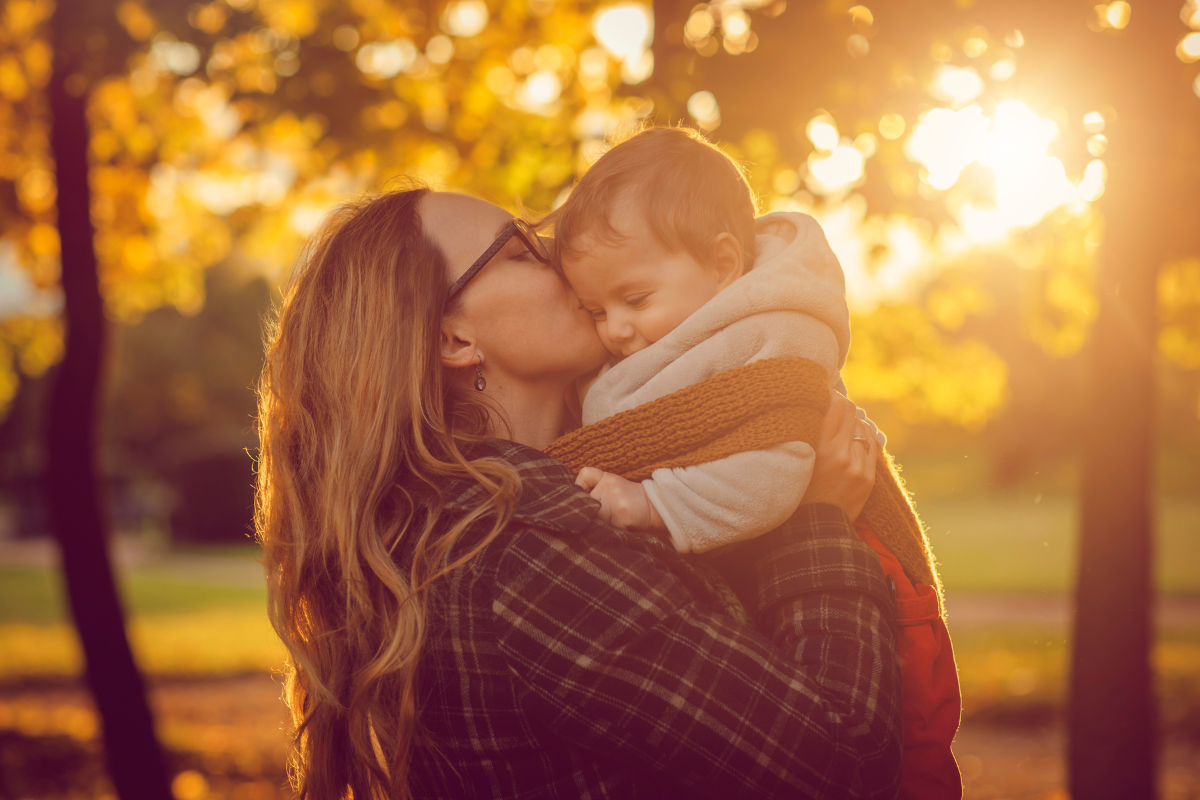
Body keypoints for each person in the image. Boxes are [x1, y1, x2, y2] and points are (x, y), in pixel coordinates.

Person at [255, 184, 901, 800]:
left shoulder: (465, 526)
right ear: (455, 339)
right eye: (520, 250)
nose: (562, 256)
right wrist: (814, 518)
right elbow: (841, 764)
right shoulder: (529, 553)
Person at [546, 126, 961, 799]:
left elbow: (770, 475)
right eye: (596, 309)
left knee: (907, 763)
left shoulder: (773, 330)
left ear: (724, 264)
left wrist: (651, 504)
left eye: (635, 300)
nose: (615, 330)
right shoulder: (679, 330)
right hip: (777, 589)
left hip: (861, 575)